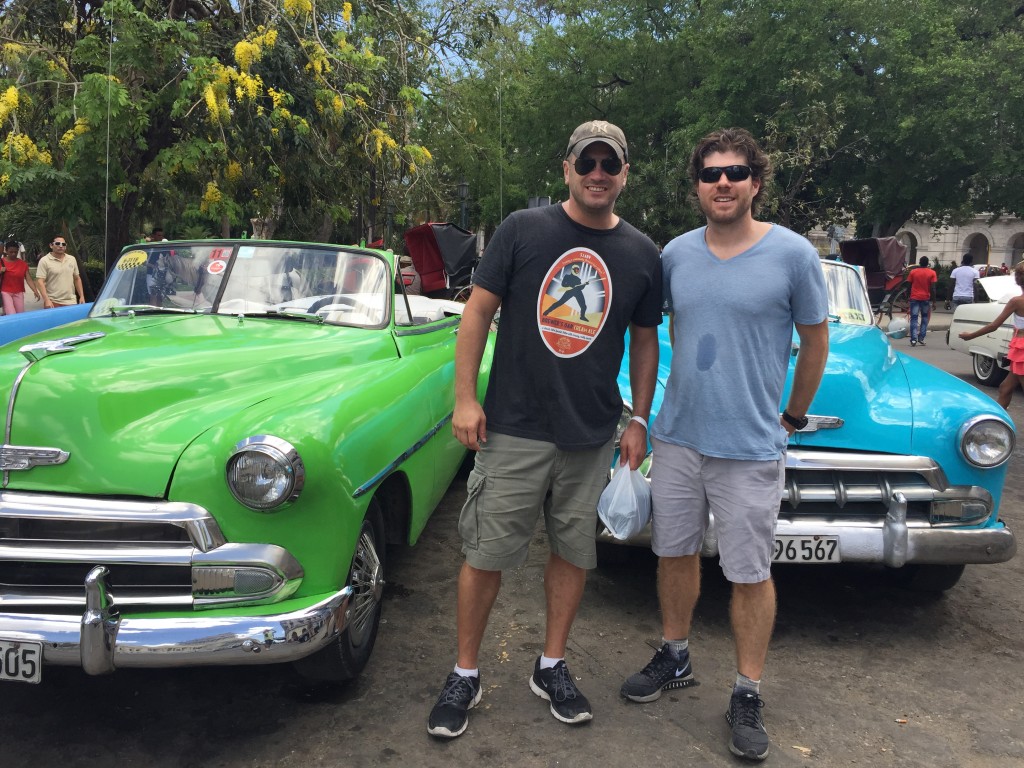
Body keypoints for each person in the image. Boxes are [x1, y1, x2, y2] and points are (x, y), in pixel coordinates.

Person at [427, 120, 662, 739]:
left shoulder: (641, 254)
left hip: (590, 434)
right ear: (567, 168)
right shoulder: (522, 230)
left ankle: (551, 665)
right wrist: (464, 398)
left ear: (623, 176)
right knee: (485, 554)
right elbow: (477, 313)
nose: (597, 173)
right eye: (587, 161)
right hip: (515, 426)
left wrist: (638, 416)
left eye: (609, 164)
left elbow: (644, 342)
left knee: (573, 553)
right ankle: (465, 673)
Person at [619, 128, 828, 762]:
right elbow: (652, 332)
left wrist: (791, 416)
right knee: (674, 553)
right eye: (711, 174)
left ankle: (747, 689)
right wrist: (641, 416)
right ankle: (675, 654)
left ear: (756, 182)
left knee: (749, 573)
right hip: (680, 438)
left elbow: (814, 343)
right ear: (697, 187)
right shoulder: (676, 255)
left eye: (736, 172)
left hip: (750, 447)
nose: (724, 183)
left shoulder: (793, 256)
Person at [959, 262, 1024, 408]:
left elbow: (994, 325)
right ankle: (998, 423)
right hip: (1019, 348)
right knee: (1005, 388)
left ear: (1018, 280)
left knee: (1006, 388)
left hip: (1021, 348)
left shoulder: (1016, 301)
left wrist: (970, 336)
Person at [36, 236, 85, 308]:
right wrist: (46, 300)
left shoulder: (72, 259)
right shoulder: (44, 261)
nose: (61, 246)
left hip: (71, 301)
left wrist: (81, 296)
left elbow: (77, 278)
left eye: (63, 244)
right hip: (53, 301)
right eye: (58, 243)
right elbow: (40, 281)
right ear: (51, 245)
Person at [2, 239, 41, 314]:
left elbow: (28, 278)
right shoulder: (1, 262)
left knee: (20, 313)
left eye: (15, 252)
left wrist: (35, 290)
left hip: (19, 292)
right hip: (5, 292)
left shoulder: (22, 264)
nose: (13, 254)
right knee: (11, 313)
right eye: (11, 252)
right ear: (6, 251)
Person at [907, 255, 937, 346]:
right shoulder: (932, 273)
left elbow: (909, 285)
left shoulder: (913, 272)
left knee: (914, 318)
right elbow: (933, 288)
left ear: (919, 262)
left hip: (914, 297)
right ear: (928, 264)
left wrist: (908, 296)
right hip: (925, 298)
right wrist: (934, 300)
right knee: (924, 318)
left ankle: (913, 339)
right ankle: (921, 337)